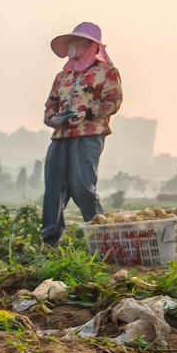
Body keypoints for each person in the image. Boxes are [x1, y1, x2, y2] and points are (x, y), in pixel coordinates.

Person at [40, 22, 123, 246]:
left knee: (82, 186)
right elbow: (51, 104)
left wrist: (87, 113)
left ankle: (102, 238)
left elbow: (113, 101)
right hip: (61, 136)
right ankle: (49, 241)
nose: (72, 46)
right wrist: (53, 118)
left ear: (90, 45)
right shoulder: (63, 76)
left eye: (76, 42)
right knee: (53, 188)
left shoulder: (106, 72)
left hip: (89, 134)